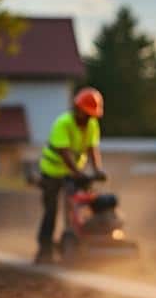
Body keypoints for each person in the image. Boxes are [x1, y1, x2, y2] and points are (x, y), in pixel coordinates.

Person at [36, 87, 106, 264]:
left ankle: (72, 245)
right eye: (87, 114)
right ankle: (45, 251)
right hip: (52, 172)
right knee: (51, 211)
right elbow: (64, 152)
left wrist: (97, 170)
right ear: (78, 109)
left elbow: (92, 148)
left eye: (92, 115)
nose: (89, 118)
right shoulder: (63, 123)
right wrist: (78, 173)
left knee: (77, 209)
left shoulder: (91, 125)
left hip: (74, 172)